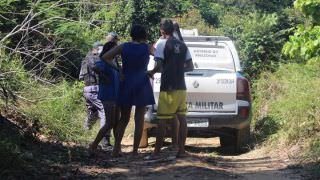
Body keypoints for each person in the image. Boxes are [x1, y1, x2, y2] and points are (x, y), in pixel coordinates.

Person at [101, 24, 155, 157]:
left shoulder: (123, 46)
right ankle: (135, 151)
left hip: (126, 82)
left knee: (124, 118)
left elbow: (105, 57)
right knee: (139, 118)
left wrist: (118, 69)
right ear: (144, 35)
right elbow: (161, 58)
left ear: (132, 35)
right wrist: (152, 71)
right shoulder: (147, 47)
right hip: (142, 82)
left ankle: (116, 148)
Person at [148, 19, 194, 158]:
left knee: (162, 120)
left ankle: (156, 153)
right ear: (173, 30)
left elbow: (159, 65)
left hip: (168, 87)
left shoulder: (162, 44)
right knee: (182, 118)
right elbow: (191, 66)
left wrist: (151, 72)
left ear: (162, 31)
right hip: (181, 86)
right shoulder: (183, 45)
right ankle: (181, 150)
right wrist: (178, 68)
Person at [79, 42, 113, 150]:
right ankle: (105, 141)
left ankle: (83, 134)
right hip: (96, 88)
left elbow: (81, 76)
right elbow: (100, 71)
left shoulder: (85, 59)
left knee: (93, 112)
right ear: (97, 49)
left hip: (87, 89)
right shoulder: (97, 58)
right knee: (104, 113)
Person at [89, 41, 121, 153]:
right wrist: (103, 76)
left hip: (115, 95)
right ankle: (94, 145)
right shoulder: (104, 60)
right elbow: (94, 67)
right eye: (115, 48)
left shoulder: (113, 61)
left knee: (116, 123)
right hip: (107, 95)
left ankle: (117, 148)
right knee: (109, 123)